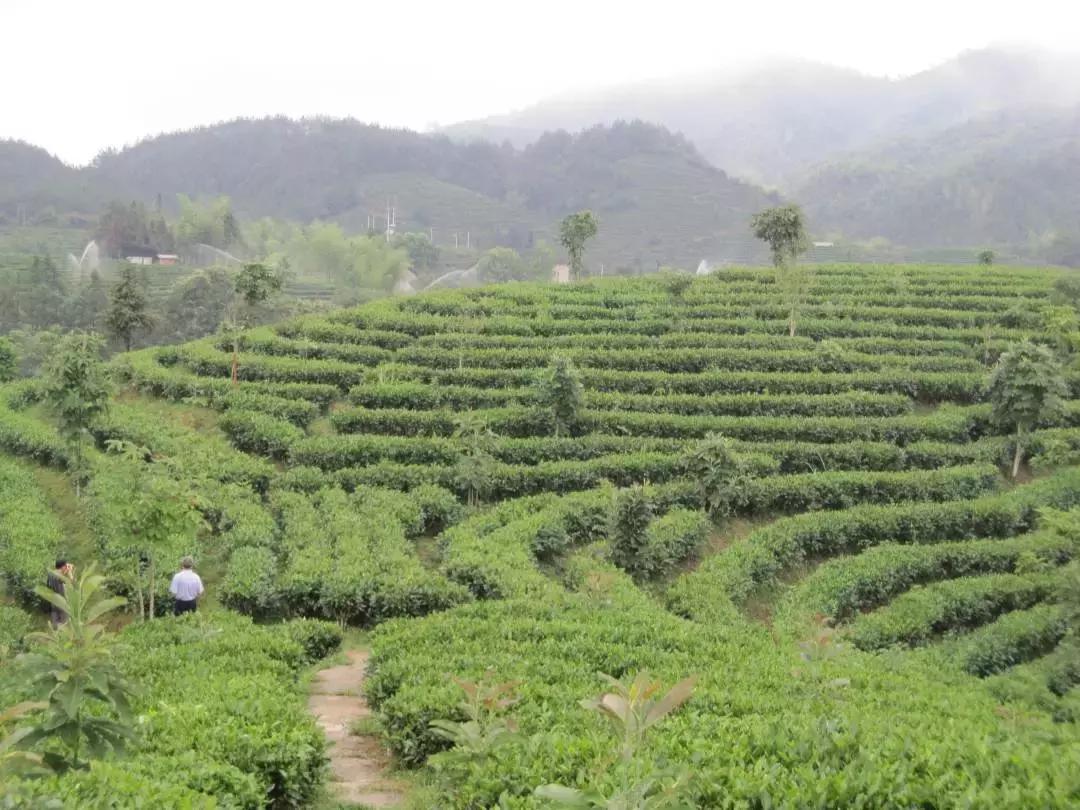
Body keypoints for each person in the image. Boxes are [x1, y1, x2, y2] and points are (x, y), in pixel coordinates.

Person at [46, 558, 74, 628]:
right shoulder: (59, 576)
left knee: (55, 622)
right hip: (61, 601)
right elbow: (70, 581)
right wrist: (70, 571)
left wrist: (66, 570)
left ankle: (56, 631)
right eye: (65, 566)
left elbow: (50, 584)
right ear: (63, 567)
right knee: (64, 622)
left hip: (53, 600)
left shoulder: (50, 574)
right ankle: (62, 632)